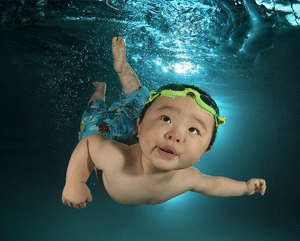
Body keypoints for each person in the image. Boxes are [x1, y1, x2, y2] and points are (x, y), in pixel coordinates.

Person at [62, 37, 266, 209]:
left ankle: (124, 96)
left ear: (206, 150)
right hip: (108, 133)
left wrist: (245, 188)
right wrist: (75, 182)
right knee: (93, 122)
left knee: (145, 104)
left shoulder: (188, 178)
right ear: (139, 124)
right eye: (167, 119)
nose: (175, 135)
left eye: (193, 129)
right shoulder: (115, 158)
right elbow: (88, 145)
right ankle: (104, 87)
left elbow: (213, 185)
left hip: (145, 130)